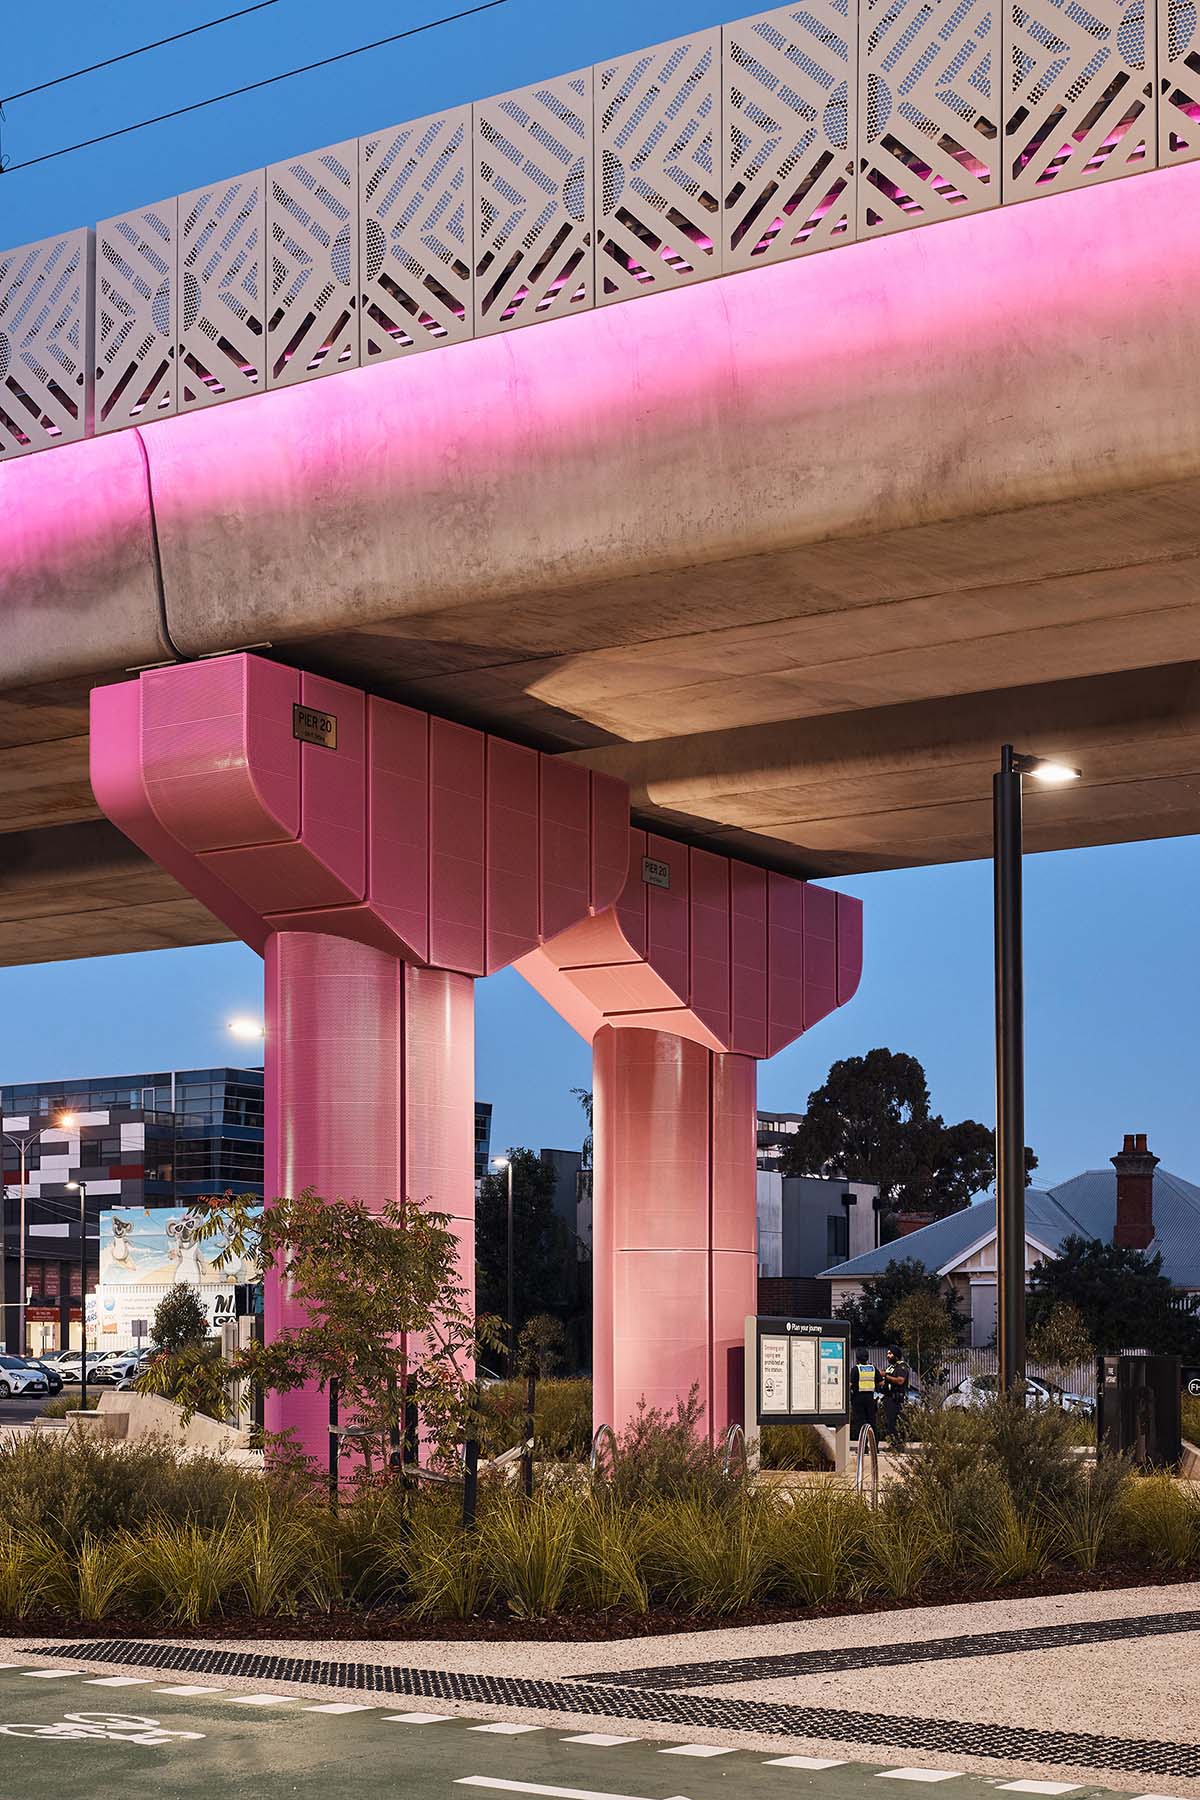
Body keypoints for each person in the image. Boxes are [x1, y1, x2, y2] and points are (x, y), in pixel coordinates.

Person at [880, 1347, 910, 1438]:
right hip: (888, 1398)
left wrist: (886, 1375)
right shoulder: (890, 1367)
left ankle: (897, 1444)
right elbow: (885, 1381)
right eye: (888, 1353)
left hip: (896, 1399)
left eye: (890, 1354)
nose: (888, 1356)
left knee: (896, 1422)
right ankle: (893, 1443)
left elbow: (900, 1381)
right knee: (890, 1423)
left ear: (896, 1355)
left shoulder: (901, 1366)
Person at [849, 1356, 879, 1437]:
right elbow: (881, 1382)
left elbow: (850, 1384)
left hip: (858, 1399)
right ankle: (875, 1446)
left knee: (860, 1424)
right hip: (870, 1398)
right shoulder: (873, 1368)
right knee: (872, 1423)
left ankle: (863, 1447)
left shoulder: (855, 1369)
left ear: (857, 1359)